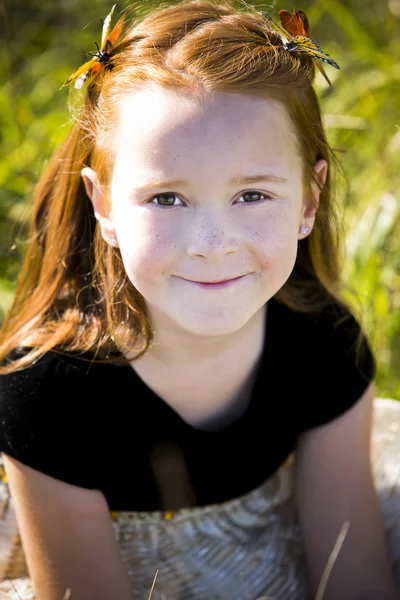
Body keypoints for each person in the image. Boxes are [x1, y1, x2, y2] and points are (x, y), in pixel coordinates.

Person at [0, 1, 399, 599]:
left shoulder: (322, 341)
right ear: (104, 204)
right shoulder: (49, 392)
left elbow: (353, 577)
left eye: (253, 195)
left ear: (309, 200)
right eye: (167, 199)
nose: (211, 245)